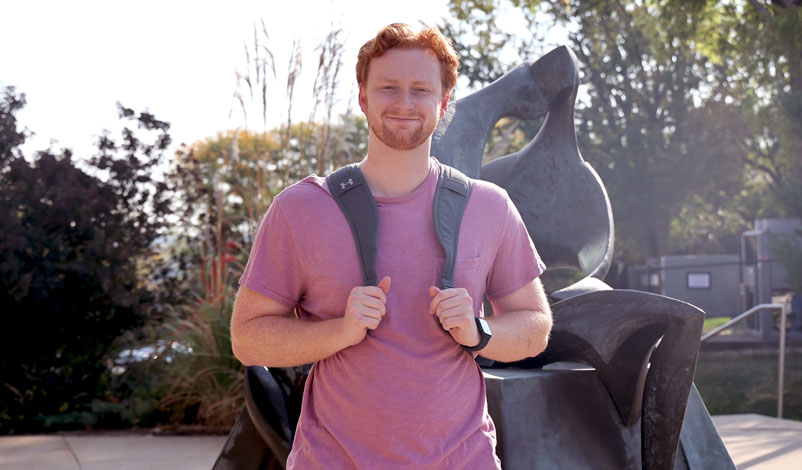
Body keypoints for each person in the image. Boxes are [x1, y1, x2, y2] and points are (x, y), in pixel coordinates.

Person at [230, 23, 553, 470]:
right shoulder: (301, 208)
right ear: (363, 98)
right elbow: (247, 338)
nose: (404, 103)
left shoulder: (489, 207)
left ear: (443, 105)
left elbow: (536, 327)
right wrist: (338, 331)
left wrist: (480, 331)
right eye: (388, 88)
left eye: (421, 90)